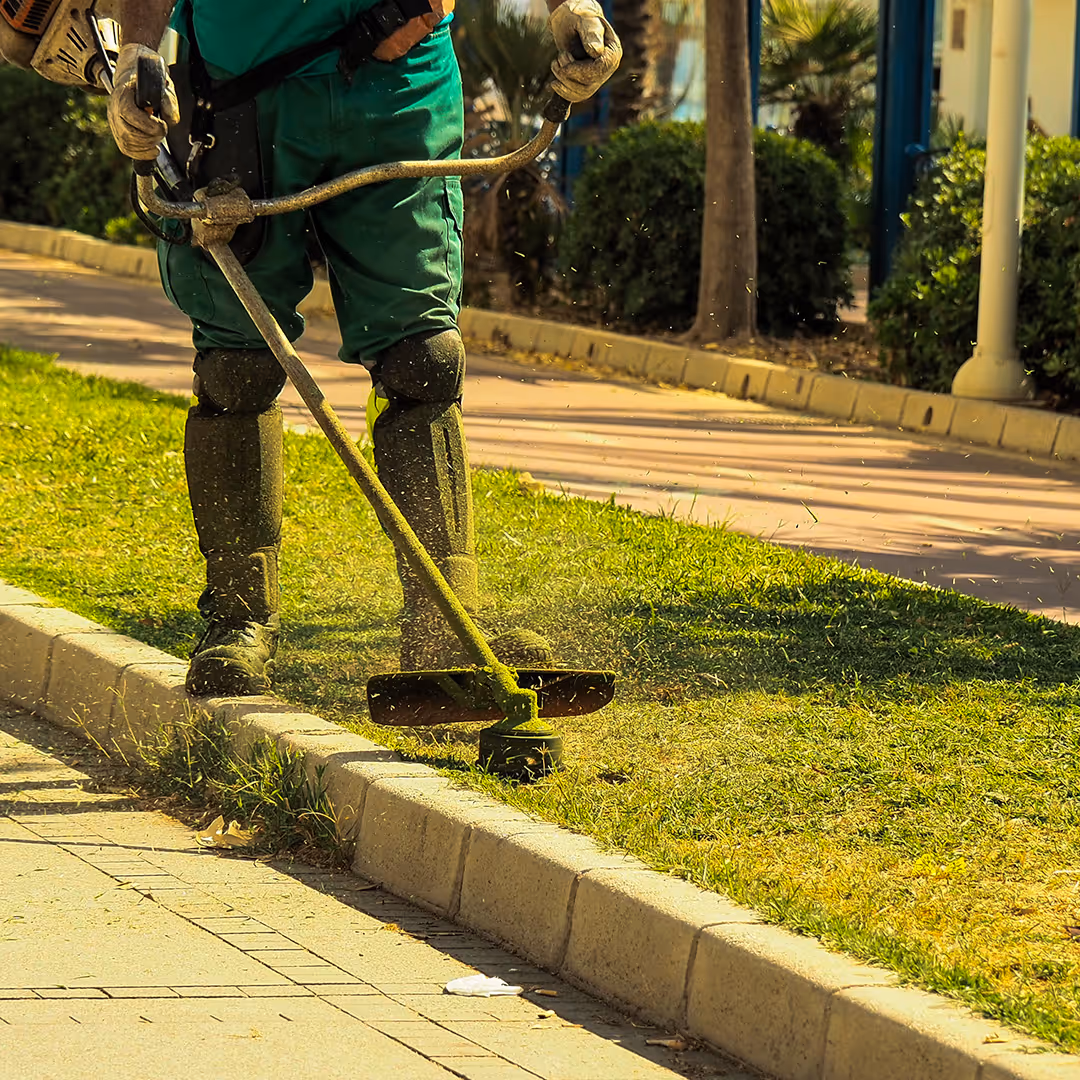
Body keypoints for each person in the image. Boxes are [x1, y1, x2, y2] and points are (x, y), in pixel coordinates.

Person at [107, 0, 621, 696]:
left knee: (424, 359)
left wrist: (573, 8)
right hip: (243, 96)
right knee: (237, 368)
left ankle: (446, 619)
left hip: (400, 91)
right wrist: (138, 50)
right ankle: (238, 617)